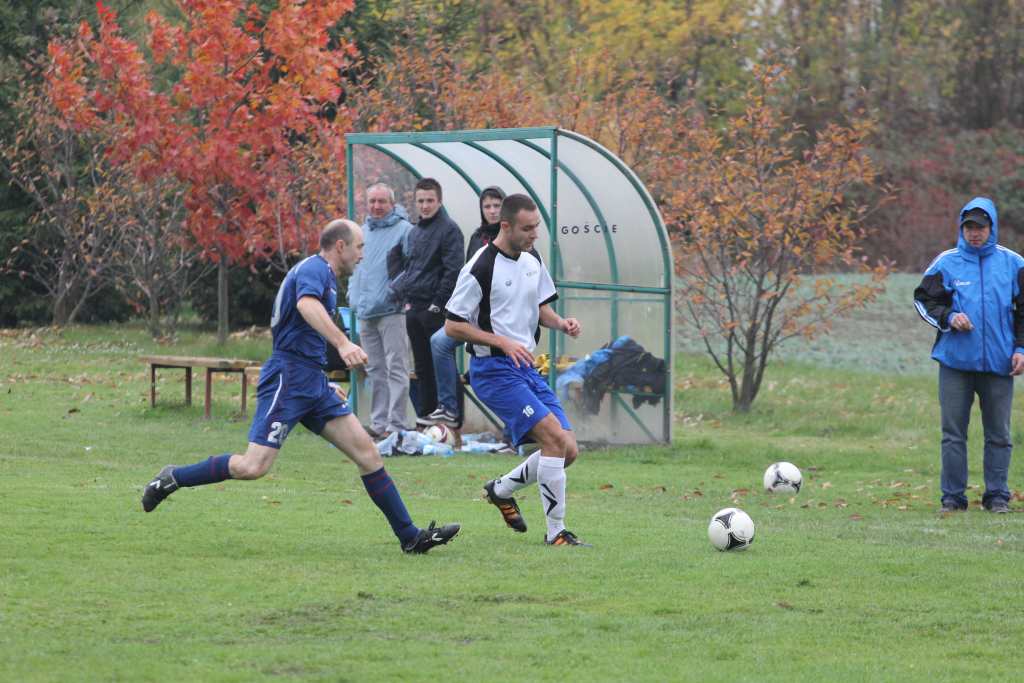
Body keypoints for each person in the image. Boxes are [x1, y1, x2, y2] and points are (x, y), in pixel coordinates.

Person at [140, 219, 460, 554]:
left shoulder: (326, 276)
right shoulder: (316, 269)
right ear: (341, 246)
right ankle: (172, 478)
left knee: (367, 454)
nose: (363, 255)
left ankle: (410, 536)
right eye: (360, 247)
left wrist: (322, 380)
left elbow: (305, 328)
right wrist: (342, 344)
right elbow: (306, 306)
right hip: (289, 379)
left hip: (311, 381)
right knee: (253, 466)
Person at [444, 194, 589, 546]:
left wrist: (561, 323)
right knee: (553, 439)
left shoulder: (532, 259)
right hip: (493, 371)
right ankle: (556, 534)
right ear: (505, 226)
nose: (534, 234)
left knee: (568, 449)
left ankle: (501, 489)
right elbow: (452, 326)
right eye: (527, 228)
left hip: (526, 369)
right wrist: (502, 342)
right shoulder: (480, 266)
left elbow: (539, 308)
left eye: (536, 226)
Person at [914, 197, 1023, 514]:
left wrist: (1020, 348)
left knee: (1000, 435)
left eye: (981, 227)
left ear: (993, 228)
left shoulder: (1014, 264)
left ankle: (997, 496)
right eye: (969, 227)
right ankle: (953, 498)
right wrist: (949, 318)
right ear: (962, 229)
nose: (975, 233)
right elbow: (924, 301)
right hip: (955, 365)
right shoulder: (946, 263)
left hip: (1001, 365)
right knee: (953, 435)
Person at [425, 186, 506, 427]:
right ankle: (449, 408)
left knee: (490, 366)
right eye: (487, 206)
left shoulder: (513, 238)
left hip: (500, 320)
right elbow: (465, 277)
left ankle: (512, 431)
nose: (492, 211)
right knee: (439, 341)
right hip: (474, 316)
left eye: (497, 206)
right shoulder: (477, 237)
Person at [387, 178, 465, 426]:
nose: (425, 205)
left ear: (439, 201)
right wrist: (405, 297)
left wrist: (437, 305)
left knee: (442, 362)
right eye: (420, 201)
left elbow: (453, 271)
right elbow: (410, 268)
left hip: (436, 309)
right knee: (422, 367)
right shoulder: (416, 231)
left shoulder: (449, 229)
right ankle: (428, 414)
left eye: (430, 200)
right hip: (415, 307)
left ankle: (452, 415)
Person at [348, 183, 412, 439]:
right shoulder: (361, 232)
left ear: (392, 204)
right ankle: (378, 424)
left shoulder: (405, 231)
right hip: (365, 312)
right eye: (372, 201)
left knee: (396, 367)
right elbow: (355, 268)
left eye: (381, 201)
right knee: (375, 369)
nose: (376, 206)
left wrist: (395, 293)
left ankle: (396, 425)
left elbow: (413, 268)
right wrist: (353, 297)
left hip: (392, 310)